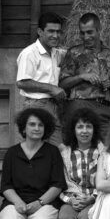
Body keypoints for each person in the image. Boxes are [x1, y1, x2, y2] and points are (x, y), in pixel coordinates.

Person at [56, 108, 105, 219]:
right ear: (73, 130)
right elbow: (60, 182)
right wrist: (69, 200)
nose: (84, 131)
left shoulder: (102, 152)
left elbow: (106, 180)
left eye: (88, 126)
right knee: (64, 217)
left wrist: (92, 198)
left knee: (86, 218)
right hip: (71, 199)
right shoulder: (64, 153)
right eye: (80, 127)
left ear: (94, 129)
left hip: (94, 199)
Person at [59, 12, 110, 140]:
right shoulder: (73, 52)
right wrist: (81, 77)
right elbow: (62, 84)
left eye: (89, 32)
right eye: (82, 33)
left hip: (104, 109)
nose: (85, 37)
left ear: (99, 30)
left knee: (105, 148)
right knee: (75, 147)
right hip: (78, 106)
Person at [16, 12, 66, 146]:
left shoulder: (56, 53)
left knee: (58, 150)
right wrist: (52, 89)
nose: (55, 35)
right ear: (40, 32)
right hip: (36, 105)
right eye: (51, 31)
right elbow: (22, 82)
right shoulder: (29, 53)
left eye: (58, 32)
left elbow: (72, 54)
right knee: (37, 148)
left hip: (53, 106)